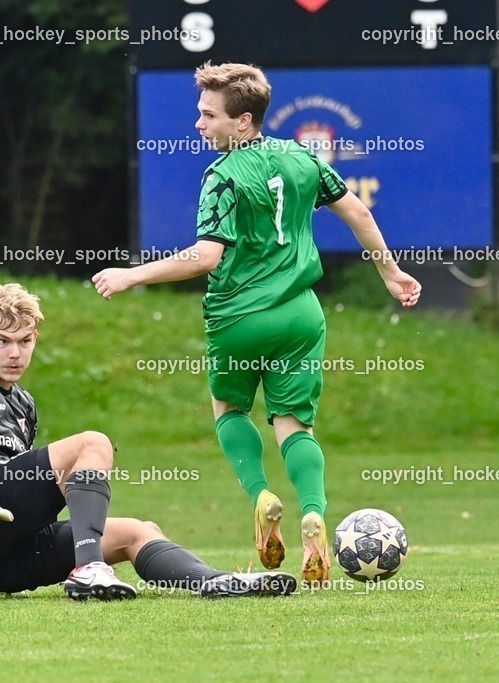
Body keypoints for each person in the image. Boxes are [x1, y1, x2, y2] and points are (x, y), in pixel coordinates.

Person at [92, 62, 421, 585]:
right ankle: (314, 511)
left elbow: (204, 257)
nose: (198, 124)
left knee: (229, 409)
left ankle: (262, 496)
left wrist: (133, 276)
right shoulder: (302, 158)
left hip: (240, 316)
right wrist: (391, 271)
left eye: (208, 114)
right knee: (295, 423)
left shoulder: (222, 176)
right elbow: (358, 213)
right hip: (302, 316)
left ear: (243, 122)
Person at [0, 283, 296, 601]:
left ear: (35, 338)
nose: (15, 353)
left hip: (2, 563)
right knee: (93, 444)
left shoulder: (23, 402)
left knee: (139, 531)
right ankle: (89, 568)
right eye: (2, 341)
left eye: (23, 340)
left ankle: (217, 580)